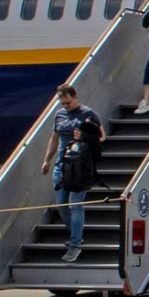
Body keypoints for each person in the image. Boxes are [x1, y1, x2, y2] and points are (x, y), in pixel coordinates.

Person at [40, 84, 102, 263]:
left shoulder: (88, 114)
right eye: (62, 103)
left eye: (68, 102)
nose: (65, 106)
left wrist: (83, 137)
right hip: (62, 164)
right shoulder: (59, 115)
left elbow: (101, 137)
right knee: (61, 205)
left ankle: (75, 244)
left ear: (75, 97)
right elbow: (54, 137)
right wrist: (47, 160)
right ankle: (76, 233)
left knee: (75, 204)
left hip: (80, 165)